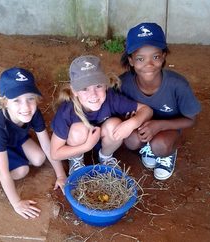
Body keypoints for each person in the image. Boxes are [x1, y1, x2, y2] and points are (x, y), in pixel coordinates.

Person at [0, 67, 67, 219]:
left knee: (38, 158)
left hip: (11, 135)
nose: (26, 107)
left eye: (30, 98)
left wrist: (61, 175)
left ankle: (9, 148)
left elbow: (46, 145)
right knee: (20, 171)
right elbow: (3, 171)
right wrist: (16, 203)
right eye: (16, 100)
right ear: (4, 102)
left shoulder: (33, 112)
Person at [119, 22, 201, 180]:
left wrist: (159, 125)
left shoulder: (178, 85)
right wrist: (129, 120)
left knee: (161, 145)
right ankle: (148, 147)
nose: (148, 64)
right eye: (140, 58)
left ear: (163, 56)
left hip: (168, 128)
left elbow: (191, 121)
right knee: (131, 140)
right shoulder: (123, 84)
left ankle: (167, 151)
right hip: (141, 128)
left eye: (155, 57)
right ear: (130, 60)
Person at [50, 55, 153, 175]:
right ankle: (76, 160)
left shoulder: (111, 98)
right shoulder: (66, 111)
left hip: (104, 141)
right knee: (78, 129)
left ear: (106, 85)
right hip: (78, 145)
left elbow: (147, 110)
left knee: (115, 124)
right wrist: (86, 146)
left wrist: (132, 123)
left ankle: (106, 157)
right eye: (85, 89)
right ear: (74, 91)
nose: (93, 94)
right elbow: (55, 153)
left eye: (98, 86)